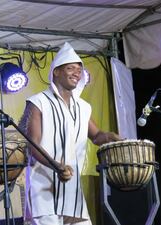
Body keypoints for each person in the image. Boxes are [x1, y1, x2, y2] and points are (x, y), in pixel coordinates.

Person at [19, 42, 121, 225]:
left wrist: (110, 137)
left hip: (72, 189)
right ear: (56, 72)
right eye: (70, 68)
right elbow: (32, 145)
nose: (76, 73)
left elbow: (96, 136)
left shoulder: (83, 107)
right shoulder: (38, 102)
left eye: (79, 69)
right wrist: (56, 165)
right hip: (43, 187)